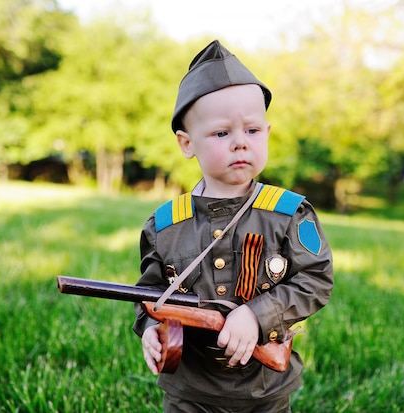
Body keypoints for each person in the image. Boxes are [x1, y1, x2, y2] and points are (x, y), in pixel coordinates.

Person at [133, 39, 333, 413]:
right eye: (222, 133)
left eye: (252, 131)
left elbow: (316, 280)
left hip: (264, 388)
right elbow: (149, 293)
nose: (240, 142)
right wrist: (148, 329)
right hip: (190, 389)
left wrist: (256, 314)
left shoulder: (289, 213)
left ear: (267, 133)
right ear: (186, 143)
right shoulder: (164, 224)